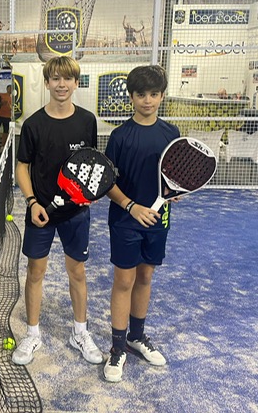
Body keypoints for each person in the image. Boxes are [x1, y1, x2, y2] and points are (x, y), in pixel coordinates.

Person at [12, 56, 103, 367]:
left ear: (76, 83)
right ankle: (32, 334)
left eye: (67, 79)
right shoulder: (33, 124)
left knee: (77, 272)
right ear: (47, 82)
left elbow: (90, 163)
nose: (61, 85)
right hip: (41, 213)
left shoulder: (87, 121)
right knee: (35, 272)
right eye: (55, 79)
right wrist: (32, 202)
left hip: (76, 214)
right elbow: (22, 167)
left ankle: (80, 333)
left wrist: (89, 193)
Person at [102, 65, 180, 383]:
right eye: (141, 94)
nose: (147, 100)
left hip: (159, 219)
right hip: (125, 220)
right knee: (124, 280)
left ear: (162, 96)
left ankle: (136, 337)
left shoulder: (172, 134)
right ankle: (118, 347)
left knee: (145, 276)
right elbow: (107, 183)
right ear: (131, 97)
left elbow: (175, 176)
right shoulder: (119, 137)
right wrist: (131, 207)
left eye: (154, 94)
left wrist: (175, 193)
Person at [0, 84, 13, 153]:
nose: (10, 90)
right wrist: (2, 103)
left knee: (6, 131)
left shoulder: (13, 98)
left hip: (7, 117)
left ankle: (2, 147)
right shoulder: (0, 95)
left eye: (12, 88)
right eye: (9, 88)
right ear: (7, 89)